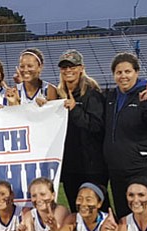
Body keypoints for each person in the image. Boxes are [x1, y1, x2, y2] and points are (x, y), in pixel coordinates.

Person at [103, 53, 147, 218]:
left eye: (127, 71)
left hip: (146, 167)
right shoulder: (111, 97)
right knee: (125, 217)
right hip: (119, 169)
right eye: (119, 72)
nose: (123, 76)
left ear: (136, 72)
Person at [56, 50, 109, 213]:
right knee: (76, 208)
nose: (68, 70)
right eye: (64, 67)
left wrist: (74, 109)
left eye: (72, 66)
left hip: (92, 166)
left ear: (81, 68)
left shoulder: (92, 94)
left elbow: (97, 126)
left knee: (98, 209)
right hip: (71, 166)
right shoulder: (58, 96)